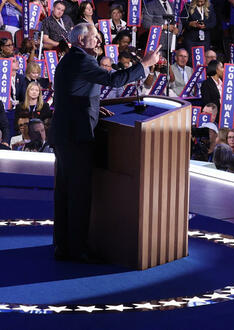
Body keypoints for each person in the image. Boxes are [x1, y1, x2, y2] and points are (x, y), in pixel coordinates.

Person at [50, 23, 160, 262]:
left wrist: (95, 108)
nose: (100, 41)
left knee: (65, 192)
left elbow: (74, 93)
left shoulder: (71, 59)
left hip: (66, 133)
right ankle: (77, 250)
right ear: (80, 40)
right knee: (78, 194)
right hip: (76, 136)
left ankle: (62, 245)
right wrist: (145, 65)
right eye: (95, 37)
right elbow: (116, 80)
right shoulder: (82, 60)